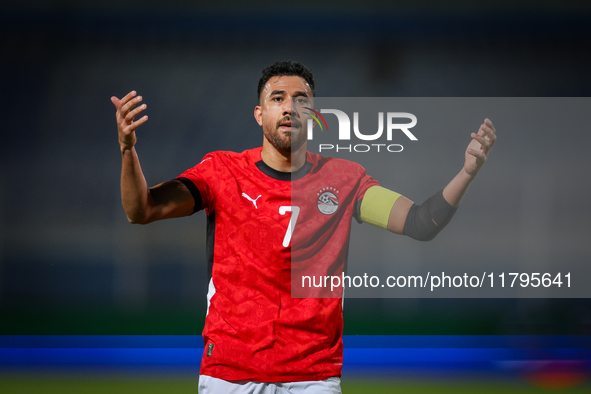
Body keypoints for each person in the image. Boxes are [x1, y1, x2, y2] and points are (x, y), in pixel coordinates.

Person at [111, 61, 496, 393]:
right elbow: (142, 209)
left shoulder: (346, 180)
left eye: (301, 99)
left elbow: (419, 223)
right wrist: (128, 150)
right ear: (259, 114)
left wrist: (466, 173)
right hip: (230, 372)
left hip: (312, 376)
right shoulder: (222, 172)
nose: (289, 107)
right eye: (277, 98)